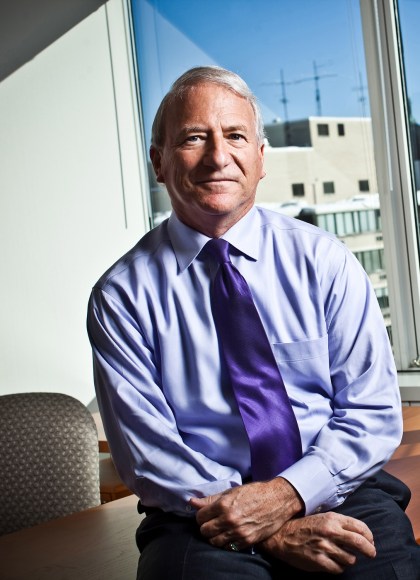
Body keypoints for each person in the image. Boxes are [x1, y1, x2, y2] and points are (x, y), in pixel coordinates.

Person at [87, 66, 420, 579]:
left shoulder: (324, 261)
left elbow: (371, 412)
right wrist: (264, 525)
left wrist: (288, 495)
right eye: (194, 138)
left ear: (261, 158)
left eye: (235, 136)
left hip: (335, 486)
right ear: (159, 162)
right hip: (196, 512)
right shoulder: (121, 297)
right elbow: (149, 455)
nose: (218, 156)